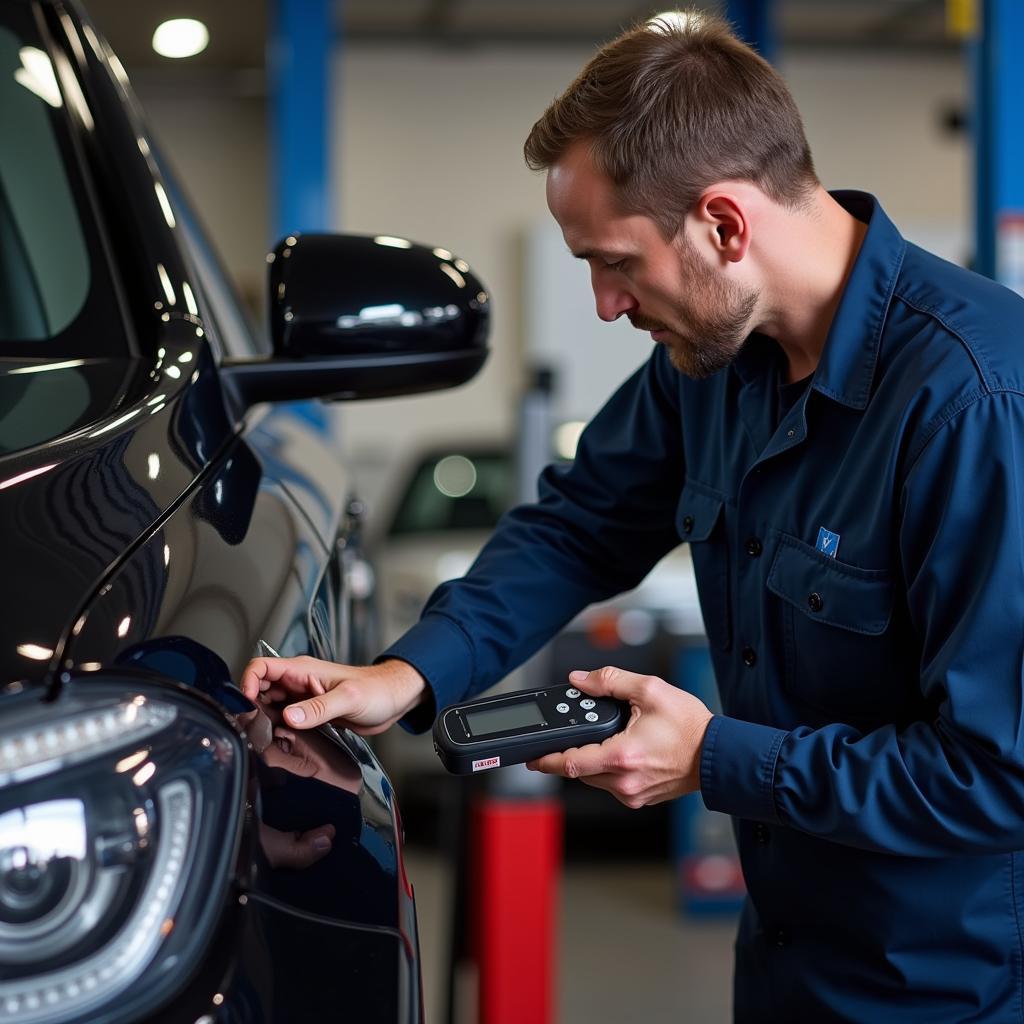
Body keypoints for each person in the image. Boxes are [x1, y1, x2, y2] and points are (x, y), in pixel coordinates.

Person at [241, 10, 1024, 1021]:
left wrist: (713, 758)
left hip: (950, 990)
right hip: (789, 958)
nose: (608, 305)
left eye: (614, 262)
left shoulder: (976, 406)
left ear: (724, 224)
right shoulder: (709, 367)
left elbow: (997, 774)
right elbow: (577, 525)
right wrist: (406, 674)